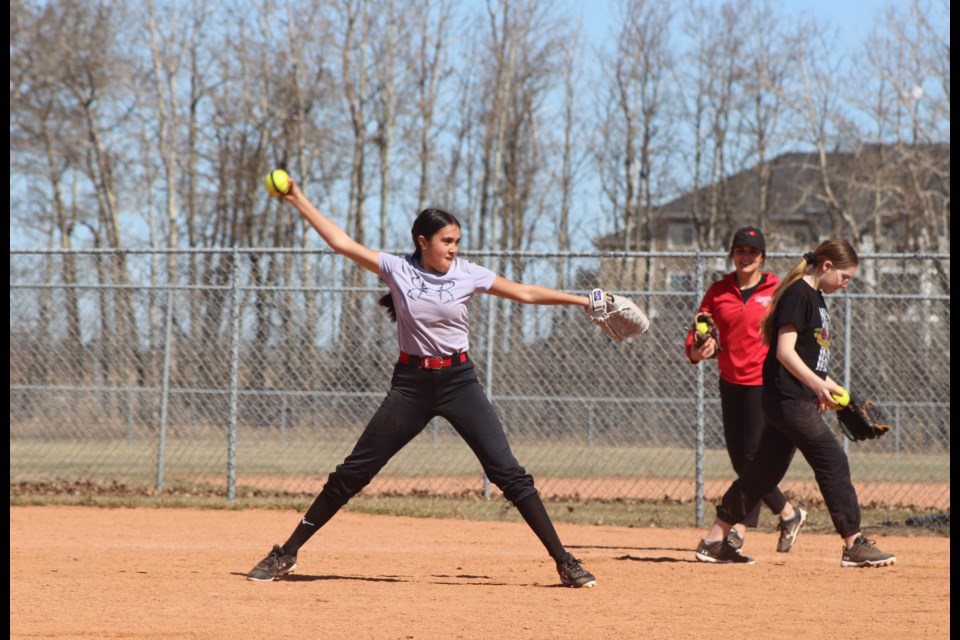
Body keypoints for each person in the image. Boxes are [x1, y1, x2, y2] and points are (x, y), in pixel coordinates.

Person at [246, 179, 597, 587]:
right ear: (423, 241)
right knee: (353, 473)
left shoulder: (468, 274)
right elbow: (341, 243)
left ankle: (564, 561)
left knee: (508, 473)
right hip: (411, 385)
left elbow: (525, 293)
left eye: (457, 241)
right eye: (447, 241)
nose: (453, 248)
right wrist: (297, 199)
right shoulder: (398, 269)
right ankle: (285, 553)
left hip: (458, 382)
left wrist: (584, 301)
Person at [694, 239, 896, 567]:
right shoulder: (798, 295)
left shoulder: (815, 298)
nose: (846, 284)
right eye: (844, 277)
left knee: (761, 472)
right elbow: (784, 352)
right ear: (826, 266)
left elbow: (810, 361)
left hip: (792, 397)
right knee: (833, 461)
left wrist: (836, 392)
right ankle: (854, 543)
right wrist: (818, 387)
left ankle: (714, 541)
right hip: (787, 399)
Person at [685, 227, 805, 556]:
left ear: (762, 257)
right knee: (742, 459)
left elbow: (794, 333)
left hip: (763, 381)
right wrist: (700, 347)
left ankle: (736, 527)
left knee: (752, 457)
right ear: (732, 254)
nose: (746, 255)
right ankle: (788, 513)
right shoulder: (719, 290)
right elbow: (697, 333)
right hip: (730, 380)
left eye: (753, 250)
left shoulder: (776, 289)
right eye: (740, 249)